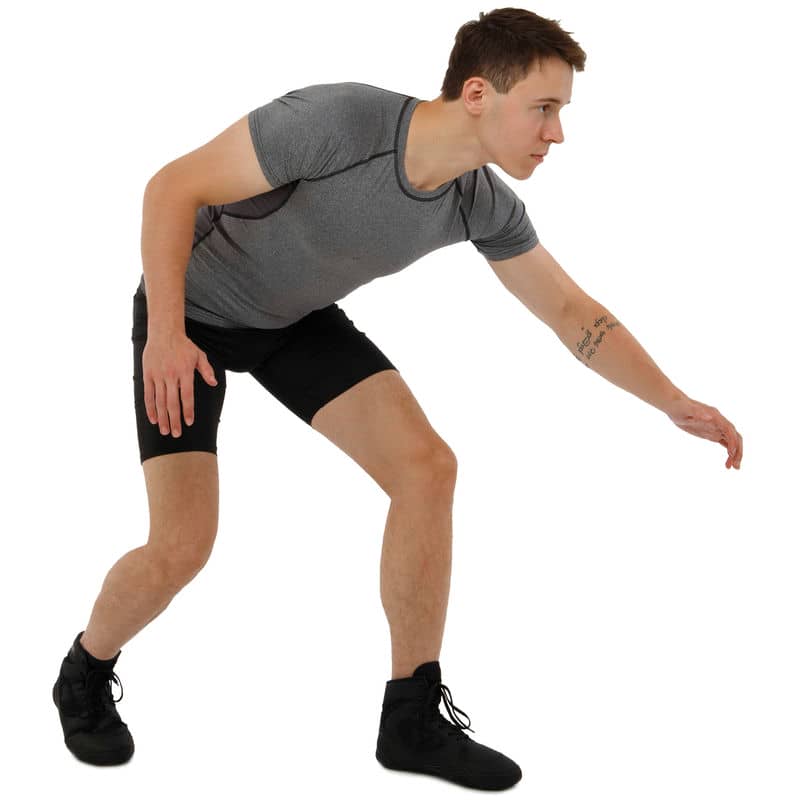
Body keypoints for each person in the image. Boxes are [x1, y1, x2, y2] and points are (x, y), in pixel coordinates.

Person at [52, 6, 743, 790]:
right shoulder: (338, 122)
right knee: (182, 546)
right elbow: (171, 187)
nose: (556, 134)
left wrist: (671, 401)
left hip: (293, 321)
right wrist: (167, 335)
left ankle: (410, 720)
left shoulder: (478, 202)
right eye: (545, 109)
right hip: (192, 314)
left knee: (427, 469)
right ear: (478, 94)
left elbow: (569, 311)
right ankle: (84, 669)